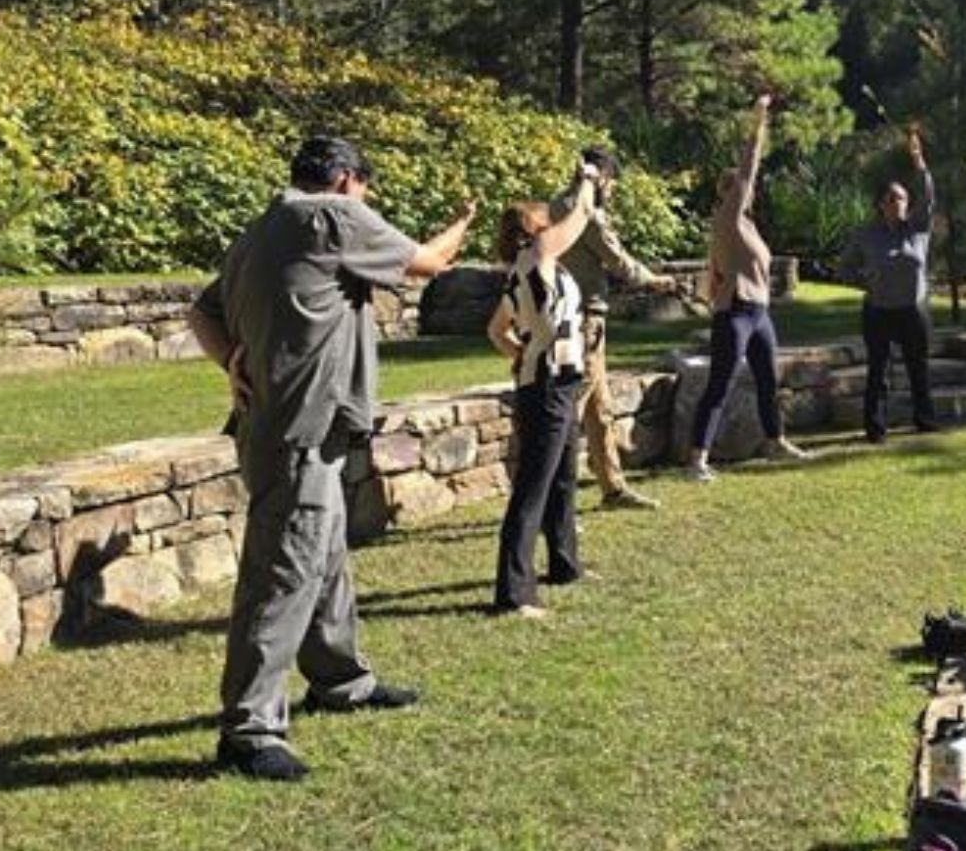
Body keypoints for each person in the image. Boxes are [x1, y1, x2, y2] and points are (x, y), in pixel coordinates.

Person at [187, 137, 478, 782]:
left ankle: (340, 679)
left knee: (323, 556)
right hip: (298, 430)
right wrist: (464, 221)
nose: (369, 204)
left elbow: (203, 311)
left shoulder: (263, 229)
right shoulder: (332, 216)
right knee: (284, 568)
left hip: (289, 428)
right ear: (347, 180)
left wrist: (229, 360)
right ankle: (249, 731)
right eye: (368, 190)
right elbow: (429, 262)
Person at [487, 169, 604, 618]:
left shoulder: (527, 269)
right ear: (532, 230)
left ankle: (564, 564)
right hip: (549, 386)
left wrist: (521, 351)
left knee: (562, 480)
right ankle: (514, 593)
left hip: (557, 380)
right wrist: (589, 186)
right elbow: (575, 222)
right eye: (543, 219)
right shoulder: (535, 255)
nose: (550, 223)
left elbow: (495, 330)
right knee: (533, 488)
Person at [550, 148, 685, 509]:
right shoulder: (586, 214)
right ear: (603, 177)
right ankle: (551, 502)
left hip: (573, 318)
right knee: (569, 413)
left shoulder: (555, 206)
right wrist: (657, 281)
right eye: (612, 183)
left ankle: (613, 488)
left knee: (599, 408)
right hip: (583, 322)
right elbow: (619, 262)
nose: (612, 190)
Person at [687, 93, 809, 481]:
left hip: (759, 314)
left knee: (766, 380)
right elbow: (749, 165)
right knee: (720, 384)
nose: (748, 189)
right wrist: (760, 121)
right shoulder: (729, 218)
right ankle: (696, 461)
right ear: (731, 192)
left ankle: (775, 441)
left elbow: (716, 271)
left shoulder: (747, 227)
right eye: (740, 186)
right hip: (736, 313)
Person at [844, 124, 938, 442]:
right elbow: (845, 269)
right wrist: (863, 280)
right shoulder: (866, 235)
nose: (897, 203)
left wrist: (918, 162)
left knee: (918, 369)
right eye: (892, 199)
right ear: (881, 205)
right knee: (878, 372)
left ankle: (925, 421)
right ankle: (875, 428)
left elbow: (927, 195)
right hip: (879, 310)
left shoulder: (918, 229)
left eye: (902, 199)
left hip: (913, 310)